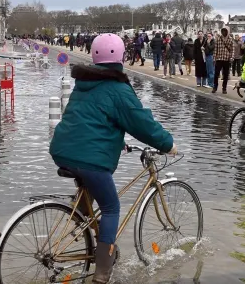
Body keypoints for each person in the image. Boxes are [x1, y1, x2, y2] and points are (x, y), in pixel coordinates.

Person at [49, 33, 177, 283]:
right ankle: (102, 273)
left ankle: (87, 227)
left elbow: (90, 122)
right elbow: (141, 123)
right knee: (111, 208)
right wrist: (168, 144)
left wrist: (118, 143)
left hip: (63, 151)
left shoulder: (84, 84)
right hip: (90, 159)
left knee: (91, 195)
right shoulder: (118, 89)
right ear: (121, 57)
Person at [213, 27, 235, 94]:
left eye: (225, 31)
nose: (224, 32)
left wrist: (231, 57)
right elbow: (215, 49)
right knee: (216, 74)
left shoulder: (230, 39)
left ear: (227, 32)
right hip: (219, 58)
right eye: (223, 31)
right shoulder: (218, 39)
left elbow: (232, 50)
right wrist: (214, 58)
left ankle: (224, 88)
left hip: (226, 59)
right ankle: (215, 87)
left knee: (225, 75)